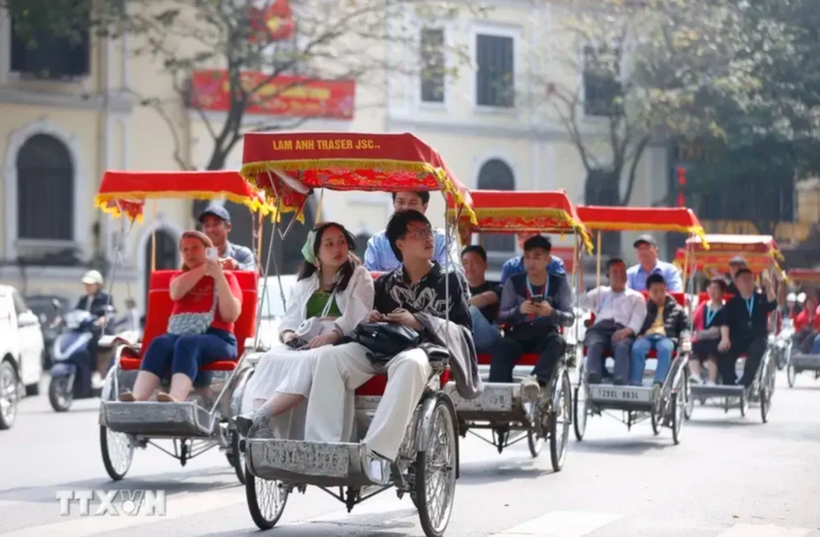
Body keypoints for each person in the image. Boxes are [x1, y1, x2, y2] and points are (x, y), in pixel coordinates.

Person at [303, 210, 480, 478]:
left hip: (425, 354)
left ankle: (377, 455)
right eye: (418, 233)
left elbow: (465, 332)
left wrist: (421, 321)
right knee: (330, 358)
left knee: (409, 363)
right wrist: (371, 318)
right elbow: (365, 328)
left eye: (429, 232)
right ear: (400, 243)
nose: (428, 238)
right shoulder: (385, 283)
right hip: (382, 349)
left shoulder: (450, 281)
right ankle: (323, 450)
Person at [235, 222, 374, 438]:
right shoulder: (304, 284)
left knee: (313, 359)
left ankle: (261, 415)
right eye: (329, 244)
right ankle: (261, 425)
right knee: (270, 358)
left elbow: (357, 313)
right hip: (307, 342)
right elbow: (289, 321)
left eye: (342, 242)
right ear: (315, 252)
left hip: (344, 341)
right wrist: (289, 336)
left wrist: (332, 334)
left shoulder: (359, 276)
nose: (337, 248)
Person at [118, 231, 243, 402]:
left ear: (208, 250)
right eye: (185, 250)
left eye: (195, 248)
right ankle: (138, 396)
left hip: (219, 338)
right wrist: (204, 267)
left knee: (188, 342)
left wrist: (218, 275)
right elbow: (176, 293)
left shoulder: (227, 278)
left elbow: (230, 315)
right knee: (159, 343)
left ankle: (176, 397)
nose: (190, 253)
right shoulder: (179, 278)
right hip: (177, 335)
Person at [490, 235, 574, 399]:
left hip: (546, 333)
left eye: (537, 257)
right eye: (527, 257)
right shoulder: (514, 282)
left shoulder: (559, 283)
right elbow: (501, 317)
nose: (531, 262)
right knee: (503, 345)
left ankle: (536, 380)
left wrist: (551, 313)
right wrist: (519, 310)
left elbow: (570, 318)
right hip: (519, 333)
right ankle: (499, 395)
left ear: (548, 259)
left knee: (558, 343)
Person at [579, 258, 647, 385]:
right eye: (615, 272)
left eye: (622, 271)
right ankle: (593, 374)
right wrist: (580, 279)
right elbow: (582, 302)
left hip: (622, 329)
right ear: (608, 275)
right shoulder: (600, 292)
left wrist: (627, 331)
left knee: (622, 346)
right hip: (600, 329)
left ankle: (620, 378)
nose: (619, 275)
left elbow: (637, 320)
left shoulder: (636, 297)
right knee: (594, 343)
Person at [363, 191, 459, 272]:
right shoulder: (378, 242)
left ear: (424, 207)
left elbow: (452, 272)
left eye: (413, 203)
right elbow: (369, 278)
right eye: (400, 202)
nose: (405, 208)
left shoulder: (442, 240)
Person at [715, 268, 777, 387]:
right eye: (743, 280)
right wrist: (725, 338)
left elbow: (772, 304)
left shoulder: (760, 298)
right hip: (738, 338)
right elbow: (725, 321)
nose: (747, 282)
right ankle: (729, 382)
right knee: (723, 351)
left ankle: (745, 382)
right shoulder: (732, 303)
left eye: (750, 279)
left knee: (756, 350)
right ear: (737, 284)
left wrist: (769, 288)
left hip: (757, 337)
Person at [629, 274, 690, 390]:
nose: (659, 295)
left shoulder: (676, 308)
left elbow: (685, 327)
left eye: (662, 290)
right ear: (648, 292)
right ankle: (635, 383)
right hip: (646, 337)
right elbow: (635, 323)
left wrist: (685, 338)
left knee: (666, 349)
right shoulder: (643, 307)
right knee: (637, 348)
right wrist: (637, 334)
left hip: (666, 337)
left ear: (666, 290)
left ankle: (659, 383)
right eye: (655, 292)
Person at [76, 270, 115, 390]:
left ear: (98, 285)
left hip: (99, 332)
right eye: (86, 285)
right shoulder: (83, 299)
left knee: (98, 346)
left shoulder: (105, 298)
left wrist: (104, 319)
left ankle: (97, 373)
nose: (87, 287)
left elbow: (110, 312)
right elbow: (76, 312)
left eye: (90, 285)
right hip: (84, 333)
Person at [461, 245, 503, 354]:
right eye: (465, 263)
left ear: (485, 264)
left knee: (472, 311)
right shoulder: (457, 290)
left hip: (489, 339)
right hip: (464, 339)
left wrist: (458, 305)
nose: (469, 267)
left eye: (474, 262)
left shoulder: (496, 287)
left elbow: (484, 299)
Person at [690, 277, 729, 385]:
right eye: (710, 288)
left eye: (716, 288)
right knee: (690, 347)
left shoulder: (725, 308)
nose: (712, 291)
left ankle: (711, 380)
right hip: (701, 337)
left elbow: (718, 331)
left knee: (713, 351)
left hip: (717, 339)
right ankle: (696, 375)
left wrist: (700, 335)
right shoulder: (703, 306)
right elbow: (693, 322)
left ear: (722, 292)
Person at [198, 205, 257, 271]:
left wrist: (237, 266)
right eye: (206, 225)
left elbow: (252, 276)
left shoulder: (242, 254)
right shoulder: (197, 255)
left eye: (216, 224)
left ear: (228, 227)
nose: (210, 229)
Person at [499, 232, 567, 285]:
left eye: (529, 235)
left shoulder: (555, 264)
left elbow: (561, 290)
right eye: (521, 236)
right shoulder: (510, 266)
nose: (524, 240)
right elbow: (504, 292)